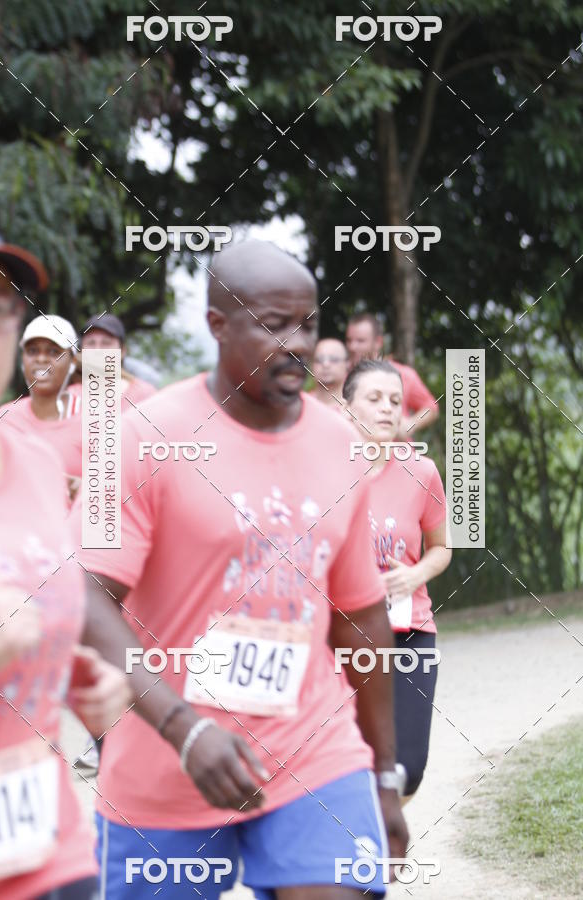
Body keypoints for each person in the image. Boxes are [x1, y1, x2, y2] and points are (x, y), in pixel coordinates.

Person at [75, 239, 408, 899]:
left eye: (308, 322)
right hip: (165, 763)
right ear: (217, 324)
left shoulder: (342, 445)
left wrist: (385, 775)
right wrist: (184, 727)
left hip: (313, 753)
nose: (298, 343)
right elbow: (83, 596)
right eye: (273, 323)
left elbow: (361, 618)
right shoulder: (143, 436)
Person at [0, 230, 131, 900]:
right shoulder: (20, 424)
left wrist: (78, 676)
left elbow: (50, 602)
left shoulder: (39, 460)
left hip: (46, 838)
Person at [343, 358, 452, 801]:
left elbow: (441, 547)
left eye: (395, 400)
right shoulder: (326, 473)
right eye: (374, 399)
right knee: (349, 763)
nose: (388, 409)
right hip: (341, 637)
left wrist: (416, 574)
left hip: (410, 633)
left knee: (409, 769)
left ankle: (381, 831)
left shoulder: (421, 471)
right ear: (347, 408)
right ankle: (361, 855)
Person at [0, 312, 83, 501]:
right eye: (32, 351)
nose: (41, 359)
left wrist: (86, 491)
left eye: (53, 352)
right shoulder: (4, 418)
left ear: (73, 362)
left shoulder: (98, 423)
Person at [345, 313, 439, 438]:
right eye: (349, 340)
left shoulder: (403, 374)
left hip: (399, 453)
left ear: (378, 342)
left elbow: (431, 408)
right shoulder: (340, 376)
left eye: (360, 341)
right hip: (353, 453)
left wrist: (410, 424)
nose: (352, 347)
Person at [69, 313, 157, 410]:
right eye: (91, 343)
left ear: (122, 350)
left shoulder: (145, 395)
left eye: (106, 343)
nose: (97, 350)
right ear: (81, 350)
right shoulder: (67, 398)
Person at [311, 337, 350, 410]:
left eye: (333, 359)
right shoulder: (300, 405)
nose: (325, 364)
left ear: (347, 364)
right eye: (319, 360)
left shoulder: (354, 406)